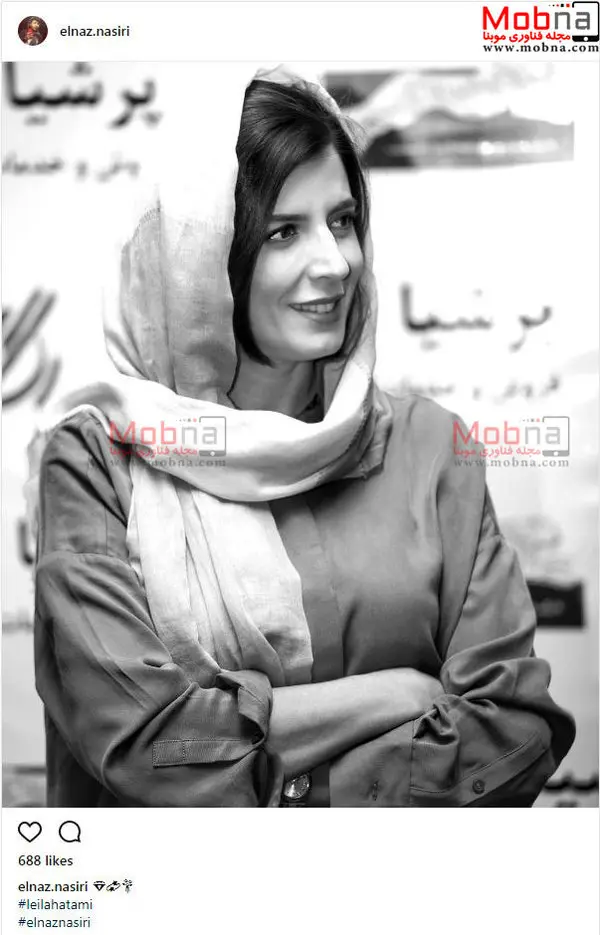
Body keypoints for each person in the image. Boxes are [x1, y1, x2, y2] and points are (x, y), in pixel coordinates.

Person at [27, 65, 575, 808]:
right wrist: (394, 694)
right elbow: (146, 745)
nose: (336, 263)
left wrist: (285, 788)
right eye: (284, 232)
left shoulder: (427, 447)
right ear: (201, 266)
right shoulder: (98, 462)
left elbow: (514, 730)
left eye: (343, 220)